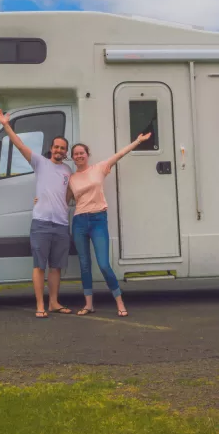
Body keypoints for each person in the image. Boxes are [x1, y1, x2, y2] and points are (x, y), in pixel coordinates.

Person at [0, 108, 74, 319]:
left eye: (62, 148)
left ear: (66, 152)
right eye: (56, 146)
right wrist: (5, 125)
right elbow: (19, 145)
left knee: (56, 267)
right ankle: (40, 305)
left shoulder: (68, 171)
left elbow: (69, 196)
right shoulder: (40, 162)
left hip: (61, 225)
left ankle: (54, 302)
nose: (59, 150)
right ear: (51, 148)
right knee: (39, 266)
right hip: (41, 223)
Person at [66, 132, 151, 317]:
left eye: (82, 153)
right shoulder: (71, 179)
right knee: (84, 264)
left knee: (104, 264)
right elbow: (63, 201)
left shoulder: (99, 168)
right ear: (72, 158)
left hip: (98, 220)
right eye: (76, 154)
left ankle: (120, 302)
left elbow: (119, 155)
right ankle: (88, 305)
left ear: (87, 155)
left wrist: (137, 141)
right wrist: (39, 200)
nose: (79, 156)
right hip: (79, 221)